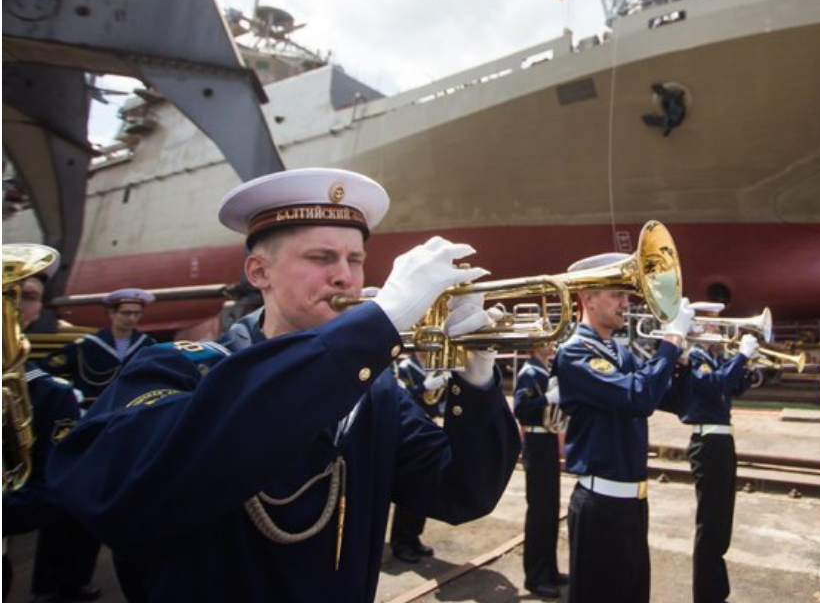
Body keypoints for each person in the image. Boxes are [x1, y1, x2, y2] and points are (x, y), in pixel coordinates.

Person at [47, 167, 521, 602]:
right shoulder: (175, 369)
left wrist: (476, 373)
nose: (346, 275)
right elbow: (120, 499)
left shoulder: (373, 390)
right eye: (321, 257)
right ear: (259, 272)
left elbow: (462, 493)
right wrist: (378, 327)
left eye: (356, 259)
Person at [554, 252, 693, 603]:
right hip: (600, 505)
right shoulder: (575, 353)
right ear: (587, 299)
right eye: (617, 295)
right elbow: (638, 398)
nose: (627, 303)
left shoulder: (618, 351)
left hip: (633, 503)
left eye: (626, 295)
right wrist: (670, 343)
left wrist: (684, 359)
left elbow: (673, 401)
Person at [11, 274, 102, 603]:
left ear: (36, 309)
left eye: (28, 295)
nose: (13, 304)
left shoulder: (48, 395)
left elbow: (46, 494)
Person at [676, 302, 754, 603]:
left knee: (721, 521)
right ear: (699, 327)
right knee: (710, 524)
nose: (720, 329)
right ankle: (707, 596)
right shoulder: (696, 357)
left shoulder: (713, 357)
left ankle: (717, 592)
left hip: (721, 442)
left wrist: (746, 363)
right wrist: (741, 356)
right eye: (714, 324)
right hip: (708, 443)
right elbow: (713, 384)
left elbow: (733, 389)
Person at [42, 288, 160, 407]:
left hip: (130, 407)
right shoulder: (86, 345)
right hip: (92, 407)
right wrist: (67, 391)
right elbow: (50, 367)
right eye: (126, 313)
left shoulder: (147, 344)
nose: (132, 319)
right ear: (111, 313)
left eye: (137, 313)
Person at [512, 340, 567, 599]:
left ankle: (550, 569)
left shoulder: (544, 370)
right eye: (547, 342)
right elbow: (520, 409)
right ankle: (536, 577)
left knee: (550, 511)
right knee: (539, 513)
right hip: (535, 441)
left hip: (546, 439)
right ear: (534, 347)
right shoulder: (529, 372)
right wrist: (548, 397)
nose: (553, 344)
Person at [388, 348, 449, 563]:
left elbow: (436, 402)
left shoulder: (431, 367)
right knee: (409, 489)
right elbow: (402, 397)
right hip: (410, 429)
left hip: (428, 426)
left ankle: (413, 537)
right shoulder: (406, 367)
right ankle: (401, 542)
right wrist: (425, 386)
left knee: (423, 488)